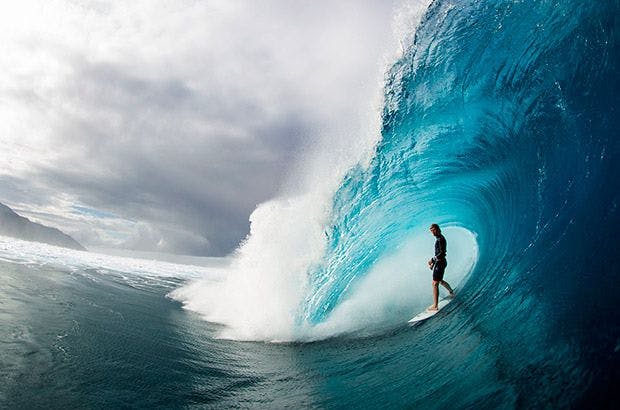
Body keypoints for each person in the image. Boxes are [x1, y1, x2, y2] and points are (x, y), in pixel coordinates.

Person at [427, 223, 454, 311]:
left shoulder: (440, 239)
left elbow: (441, 253)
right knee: (440, 281)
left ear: (438, 229)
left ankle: (435, 306)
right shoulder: (439, 238)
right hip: (440, 262)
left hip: (440, 263)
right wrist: (433, 263)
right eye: (431, 231)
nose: (433, 232)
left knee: (435, 283)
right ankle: (451, 291)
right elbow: (438, 254)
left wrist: (432, 259)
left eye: (434, 230)